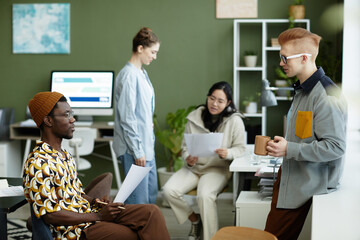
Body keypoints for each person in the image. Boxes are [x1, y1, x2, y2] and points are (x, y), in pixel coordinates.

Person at [23, 91, 170, 240]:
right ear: (48, 120)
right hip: (74, 231)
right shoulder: (38, 162)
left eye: (72, 114)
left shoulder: (64, 155)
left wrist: (96, 202)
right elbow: (50, 216)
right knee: (132, 234)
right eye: (66, 115)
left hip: (89, 213)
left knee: (152, 211)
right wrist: (98, 216)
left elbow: (75, 194)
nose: (73, 119)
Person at [264, 28, 347, 240]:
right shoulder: (303, 90)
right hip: (293, 176)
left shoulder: (326, 95)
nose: (281, 63)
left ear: (304, 58)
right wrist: (284, 145)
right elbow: (305, 135)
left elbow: (336, 147)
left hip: (306, 183)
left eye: (284, 58)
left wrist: (288, 148)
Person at [163, 81, 246, 240]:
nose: (214, 104)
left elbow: (241, 148)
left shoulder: (235, 121)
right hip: (193, 168)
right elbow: (185, 146)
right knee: (168, 190)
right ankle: (195, 220)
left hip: (217, 169)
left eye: (220, 101)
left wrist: (227, 152)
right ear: (207, 97)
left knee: (205, 195)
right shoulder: (194, 118)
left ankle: (210, 237)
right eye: (211, 98)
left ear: (228, 102)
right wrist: (188, 158)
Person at [113, 27, 160, 204]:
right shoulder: (128, 76)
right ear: (140, 48)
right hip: (134, 150)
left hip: (146, 148)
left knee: (149, 200)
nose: (155, 56)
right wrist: (138, 151)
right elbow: (128, 118)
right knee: (138, 204)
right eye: (153, 52)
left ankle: (149, 232)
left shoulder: (142, 73)